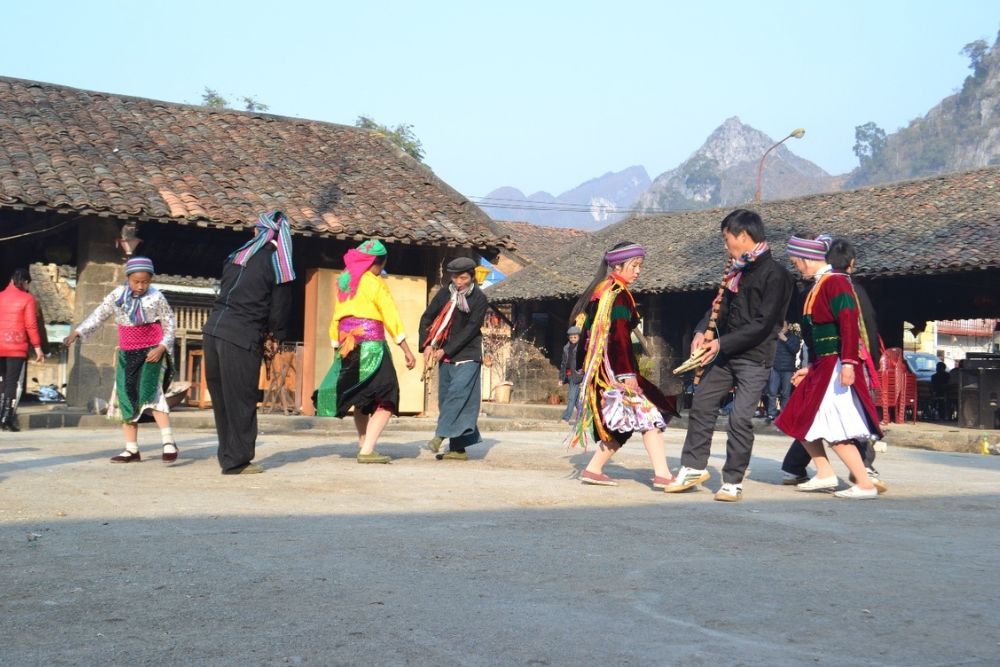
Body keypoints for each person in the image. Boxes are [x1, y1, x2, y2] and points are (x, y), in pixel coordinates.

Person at [665, 209, 793, 501]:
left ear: (744, 236)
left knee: (739, 418)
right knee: (702, 403)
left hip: (755, 356)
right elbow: (718, 309)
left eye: (727, 239)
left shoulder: (777, 275)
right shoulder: (738, 271)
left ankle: (733, 479)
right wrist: (701, 331)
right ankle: (693, 466)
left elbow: (763, 324)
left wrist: (721, 344)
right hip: (723, 353)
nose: (725, 247)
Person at [774, 237, 883, 499]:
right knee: (795, 416)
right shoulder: (819, 285)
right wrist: (810, 366)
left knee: (835, 426)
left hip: (836, 364)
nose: (796, 268)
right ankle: (824, 473)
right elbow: (813, 335)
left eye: (796, 263)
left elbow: (848, 321)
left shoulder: (836, 282)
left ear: (807, 259)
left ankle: (865, 484)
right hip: (822, 364)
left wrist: (848, 362)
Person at [570, 241, 678, 488]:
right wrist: (626, 373)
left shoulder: (601, 292)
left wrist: (581, 367)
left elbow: (587, 333)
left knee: (630, 420)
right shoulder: (618, 296)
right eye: (634, 265)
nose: (638, 271)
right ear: (617, 265)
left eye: (640, 266)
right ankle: (662, 475)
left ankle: (594, 468)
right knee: (648, 415)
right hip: (616, 370)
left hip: (603, 369)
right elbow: (618, 336)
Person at [203, 211, 295, 474]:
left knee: (222, 400)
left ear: (258, 231)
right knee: (241, 399)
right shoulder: (279, 264)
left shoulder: (236, 257)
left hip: (212, 332)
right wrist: (276, 335)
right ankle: (238, 460)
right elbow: (280, 308)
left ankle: (228, 456)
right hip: (241, 336)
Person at [64, 257, 177, 462]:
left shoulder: (157, 297)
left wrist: (161, 348)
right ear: (128, 278)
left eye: (145, 282)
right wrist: (78, 332)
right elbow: (99, 315)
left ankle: (168, 442)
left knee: (152, 393)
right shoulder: (117, 296)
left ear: (151, 280)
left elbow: (170, 325)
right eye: (136, 281)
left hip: (151, 352)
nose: (141, 286)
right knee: (125, 398)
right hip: (127, 354)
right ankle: (131, 449)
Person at [315, 239, 416, 463]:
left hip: (347, 345)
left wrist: (335, 347)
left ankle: (363, 443)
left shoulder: (345, 283)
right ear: (378, 263)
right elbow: (391, 316)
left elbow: (336, 317)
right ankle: (367, 450)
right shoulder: (375, 283)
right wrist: (406, 349)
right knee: (388, 396)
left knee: (362, 395)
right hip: (372, 344)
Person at [419, 257, 488, 460]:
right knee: (447, 399)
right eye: (455, 278)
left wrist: (446, 350)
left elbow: (470, 329)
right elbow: (427, 318)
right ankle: (458, 448)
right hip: (444, 353)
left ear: (472, 277)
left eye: (464, 278)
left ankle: (439, 436)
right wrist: (426, 346)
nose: (459, 283)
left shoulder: (479, 299)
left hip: (468, 354)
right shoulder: (444, 294)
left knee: (458, 394)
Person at [0, 268, 44, 432]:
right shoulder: (27, 299)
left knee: (2, 381)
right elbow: (31, 325)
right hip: (16, 348)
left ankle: (1, 416)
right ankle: (7, 419)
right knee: (12, 382)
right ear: (25, 282)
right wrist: (38, 347)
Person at [765, 322, 800, 423]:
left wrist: (785, 339)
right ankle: (771, 414)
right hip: (775, 368)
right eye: (780, 325)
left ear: (789, 326)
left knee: (786, 393)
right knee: (772, 392)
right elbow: (768, 350)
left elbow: (795, 350)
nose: (781, 328)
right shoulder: (774, 337)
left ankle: (784, 414)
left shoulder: (794, 337)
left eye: (783, 326)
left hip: (788, 369)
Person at [558, 326, 584, 423]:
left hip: (577, 376)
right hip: (568, 375)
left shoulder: (581, 348)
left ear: (578, 337)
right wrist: (561, 378)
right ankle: (584, 417)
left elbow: (584, 361)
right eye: (571, 337)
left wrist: (583, 371)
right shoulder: (566, 348)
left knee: (571, 397)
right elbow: (563, 363)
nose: (573, 339)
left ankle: (565, 418)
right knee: (576, 400)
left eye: (575, 337)